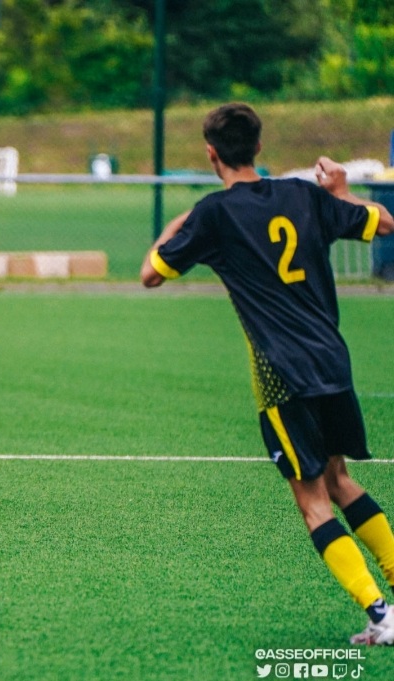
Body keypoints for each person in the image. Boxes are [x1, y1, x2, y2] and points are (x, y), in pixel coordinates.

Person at [140, 102, 394, 645]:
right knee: (341, 480)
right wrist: (342, 190)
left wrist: (180, 221)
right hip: (332, 361)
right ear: (259, 146)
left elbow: (151, 274)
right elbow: (387, 222)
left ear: (212, 154)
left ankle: (381, 613)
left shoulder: (213, 214)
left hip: (284, 378)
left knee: (314, 503)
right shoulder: (306, 196)